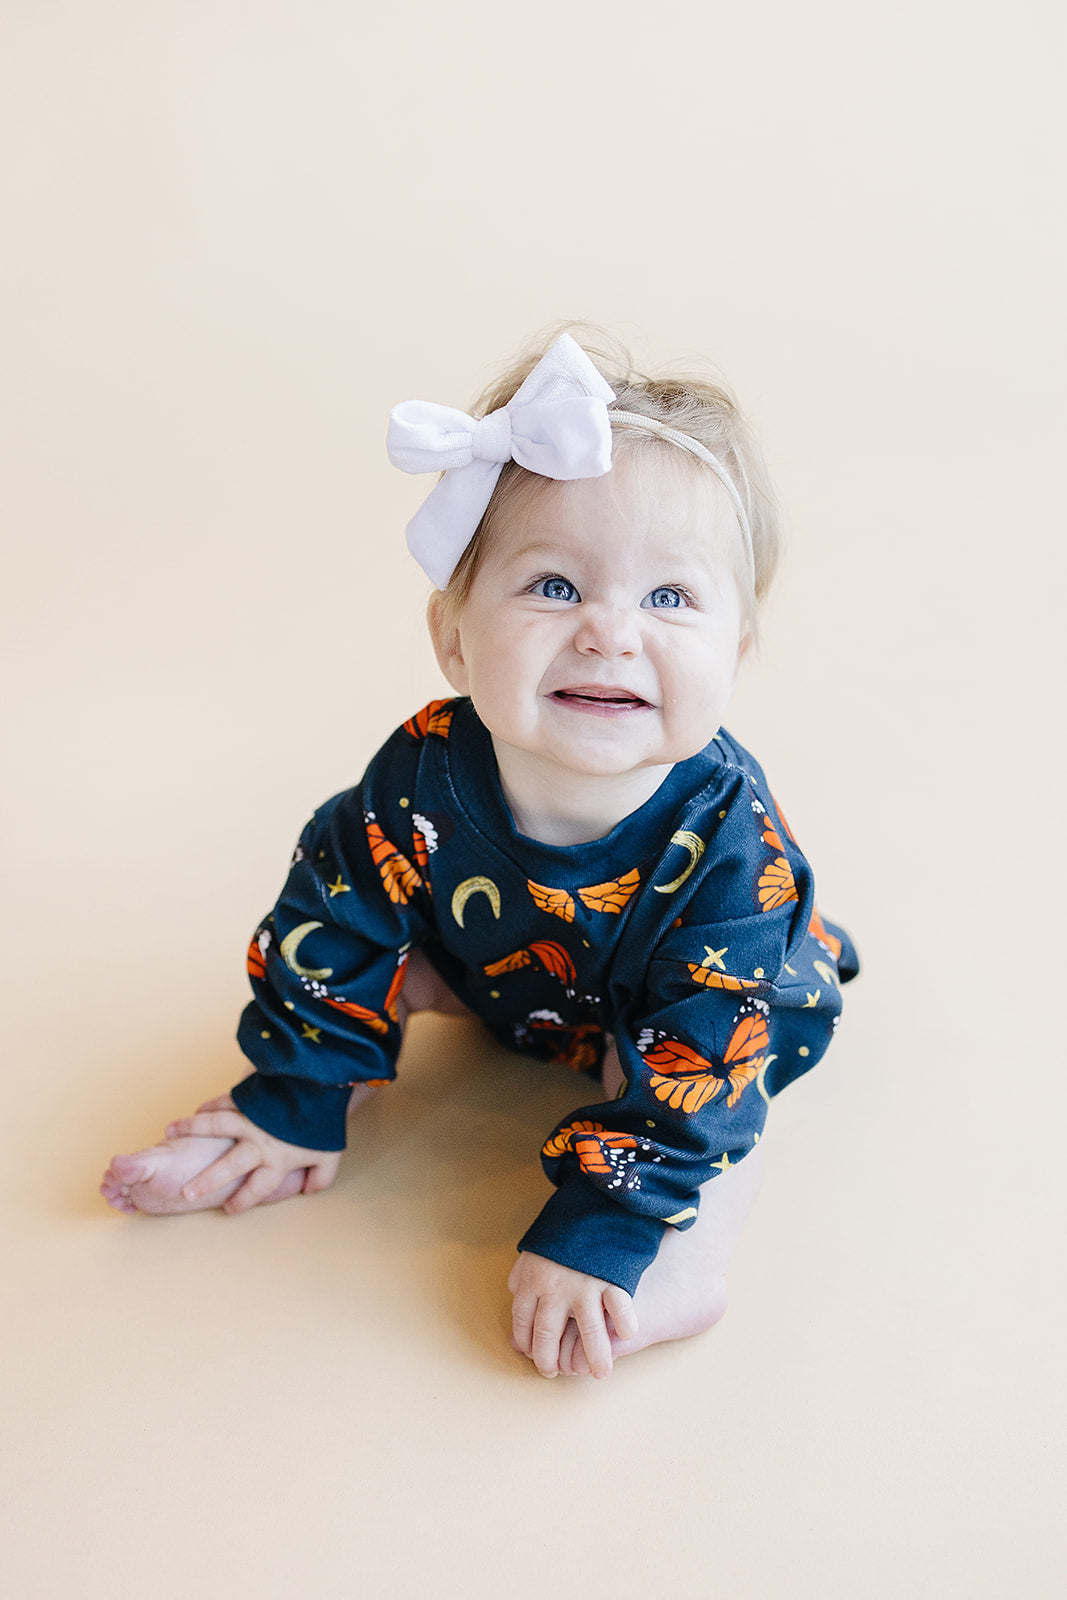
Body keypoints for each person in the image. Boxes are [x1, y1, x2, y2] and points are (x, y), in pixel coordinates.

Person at [101, 328, 858, 1380]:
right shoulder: (421, 773)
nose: (609, 632)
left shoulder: (732, 845)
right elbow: (331, 915)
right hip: (502, 975)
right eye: (553, 585)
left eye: (668, 598)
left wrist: (603, 1221)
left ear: (732, 655)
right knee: (377, 948)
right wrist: (298, 1093)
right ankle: (323, 1096)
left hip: (696, 1007)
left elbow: (710, 1044)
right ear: (453, 638)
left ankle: (682, 1245)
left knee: (704, 1063)